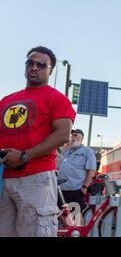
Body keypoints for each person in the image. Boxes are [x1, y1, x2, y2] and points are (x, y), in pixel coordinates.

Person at [0, 46, 76, 237]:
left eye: (41, 65)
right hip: (3, 179)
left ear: (50, 71)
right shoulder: (6, 100)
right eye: (30, 63)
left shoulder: (57, 99)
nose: (34, 67)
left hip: (35, 178)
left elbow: (62, 135)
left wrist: (25, 156)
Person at [57, 129, 97, 211]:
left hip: (76, 190)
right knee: (61, 216)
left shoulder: (87, 151)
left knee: (76, 217)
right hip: (61, 191)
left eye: (75, 135)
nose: (72, 137)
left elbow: (91, 171)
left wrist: (84, 188)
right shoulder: (66, 151)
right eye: (71, 135)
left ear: (81, 138)